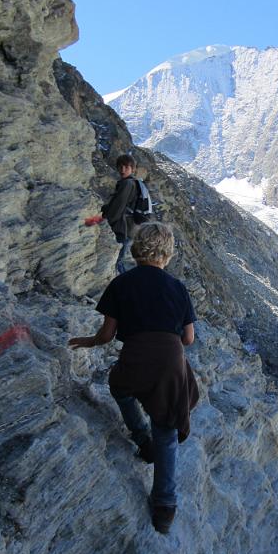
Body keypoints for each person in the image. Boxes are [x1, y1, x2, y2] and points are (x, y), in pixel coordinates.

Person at [68, 222, 199, 535]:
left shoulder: (121, 283)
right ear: (166, 253)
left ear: (137, 248)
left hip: (135, 355)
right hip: (170, 358)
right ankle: (164, 508)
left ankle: (141, 438)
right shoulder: (177, 287)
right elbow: (189, 339)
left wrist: (84, 341)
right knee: (166, 429)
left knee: (120, 388)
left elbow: (107, 335)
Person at [101, 153, 139, 274]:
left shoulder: (127, 184)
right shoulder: (134, 183)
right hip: (130, 228)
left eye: (126, 167)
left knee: (117, 262)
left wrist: (107, 221)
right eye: (121, 167)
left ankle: (123, 286)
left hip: (122, 227)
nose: (123, 170)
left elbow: (118, 205)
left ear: (132, 169)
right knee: (120, 260)